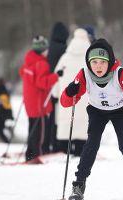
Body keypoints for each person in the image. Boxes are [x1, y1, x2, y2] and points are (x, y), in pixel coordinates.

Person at [60, 38, 123, 200]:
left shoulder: (120, 73)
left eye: (102, 62)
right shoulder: (84, 74)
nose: (98, 66)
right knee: (91, 144)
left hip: (120, 111)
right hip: (97, 112)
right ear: (89, 63)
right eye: (94, 62)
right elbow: (65, 102)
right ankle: (78, 186)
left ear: (109, 62)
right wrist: (69, 91)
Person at [19, 35, 59, 162]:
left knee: (32, 129)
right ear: (43, 50)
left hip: (29, 102)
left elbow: (22, 74)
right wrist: (56, 76)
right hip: (38, 104)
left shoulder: (28, 61)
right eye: (46, 49)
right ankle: (37, 155)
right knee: (40, 133)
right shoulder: (42, 63)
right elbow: (42, 83)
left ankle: (30, 154)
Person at [52, 28, 90, 156]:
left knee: (66, 122)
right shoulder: (90, 59)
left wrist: (56, 93)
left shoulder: (65, 57)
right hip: (84, 97)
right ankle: (80, 150)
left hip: (67, 97)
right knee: (83, 123)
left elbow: (57, 76)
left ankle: (64, 150)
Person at [47, 22, 69, 153]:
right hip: (60, 86)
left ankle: (51, 143)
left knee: (52, 117)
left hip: (50, 85)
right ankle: (59, 145)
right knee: (60, 118)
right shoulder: (63, 49)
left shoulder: (50, 47)